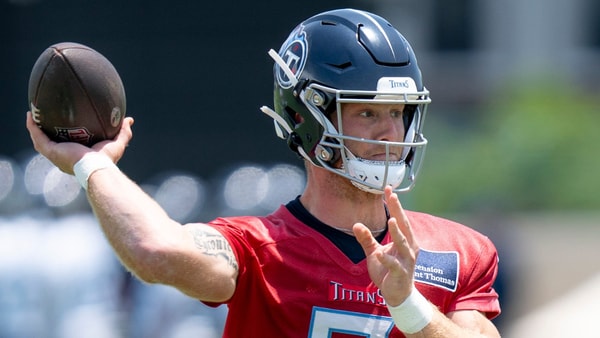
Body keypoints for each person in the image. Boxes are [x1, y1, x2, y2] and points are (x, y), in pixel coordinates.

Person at [26, 8, 501, 337]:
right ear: (306, 118)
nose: (389, 132)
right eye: (366, 114)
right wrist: (92, 163)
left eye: (397, 112)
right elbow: (154, 250)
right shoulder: (257, 252)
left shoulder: (460, 252)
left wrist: (408, 306)